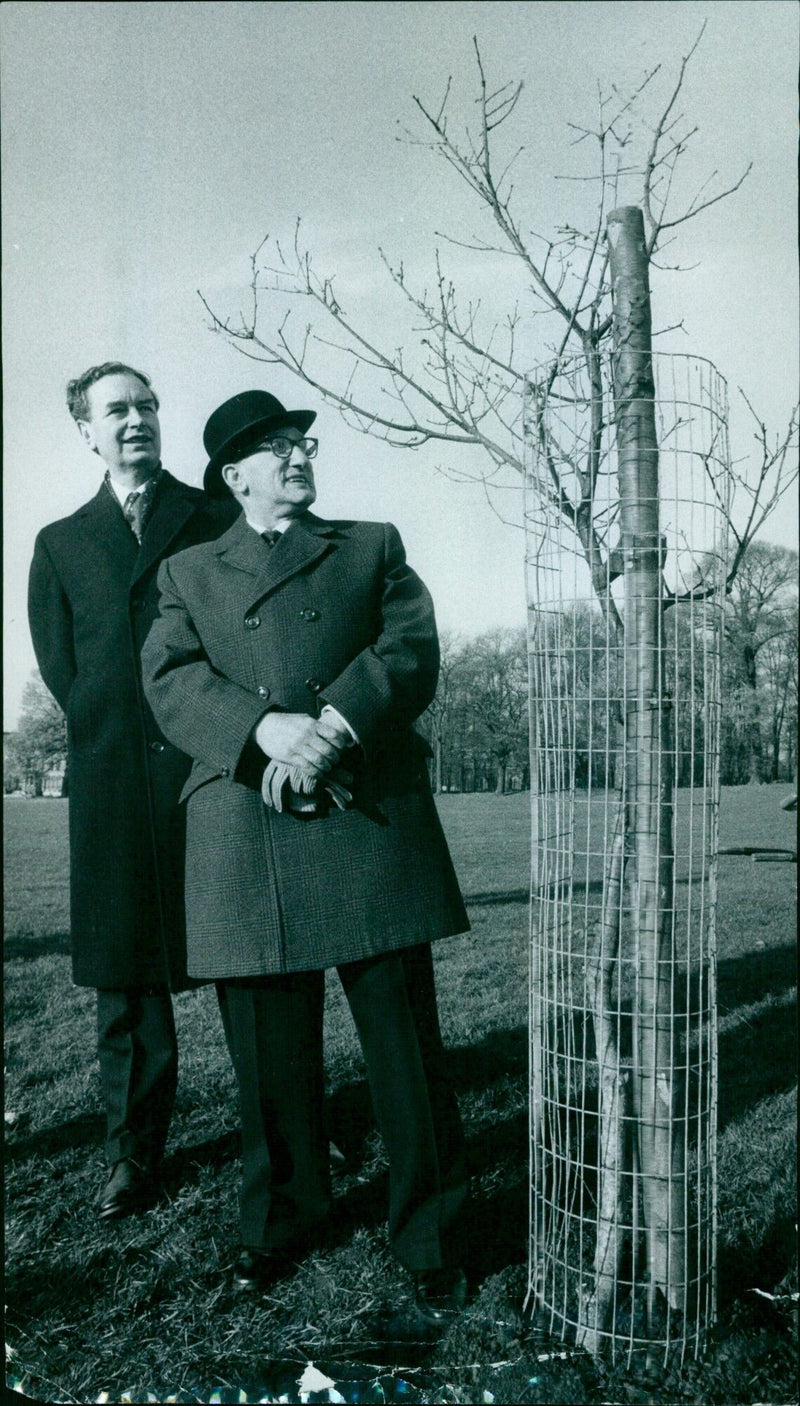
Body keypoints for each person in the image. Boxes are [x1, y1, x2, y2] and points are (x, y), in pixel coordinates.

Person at [141, 389, 471, 1327]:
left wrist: (330, 728)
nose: (297, 457)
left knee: (406, 1054)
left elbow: (408, 649)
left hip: (370, 817)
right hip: (245, 827)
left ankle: (431, 1237)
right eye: (275, 449)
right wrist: (263, 733)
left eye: (303, 443)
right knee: (269, 1058)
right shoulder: (187, 572)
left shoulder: (371, 544)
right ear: (233, 475)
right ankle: (282, 1219)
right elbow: (168, 681)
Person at [28, 362, 237, 1220]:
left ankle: (285, 1131)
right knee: (129, 985)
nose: (136, 420)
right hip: (115, 791)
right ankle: (133, 1158)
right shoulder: (61, 541)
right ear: (86, 429)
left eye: (147, 404)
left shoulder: (213, 515)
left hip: (209, 773)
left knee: (248, 967)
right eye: (116, 410)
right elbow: (61, 665)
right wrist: (107, 725)